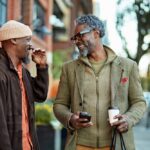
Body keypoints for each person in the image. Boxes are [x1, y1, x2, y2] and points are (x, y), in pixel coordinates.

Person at [53, 14, 146, 150]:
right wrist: (70, 119)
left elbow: (139, 102)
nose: (77, 41)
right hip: (80, 145)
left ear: (96, 33)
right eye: (75, 38)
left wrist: (129, 119)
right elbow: (59, 105)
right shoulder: (69, 68)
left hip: (116, 143)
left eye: (80, 35)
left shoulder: (128, 66)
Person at [0, 20, 49, 150]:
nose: (31, 45)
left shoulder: (23, 72)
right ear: (14, 40)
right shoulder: (1, 73)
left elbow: (40, 95)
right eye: (27, 40)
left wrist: (42, 67)